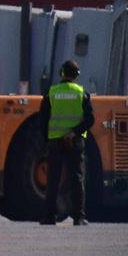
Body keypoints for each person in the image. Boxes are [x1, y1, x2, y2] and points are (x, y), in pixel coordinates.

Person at [40, 58, 94, 226]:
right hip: (75, 142)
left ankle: (50, 217)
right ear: (76, 75)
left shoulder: (51, 93)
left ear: (62, 73)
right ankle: (78, 217)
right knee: (77, 179)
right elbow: (90, 119)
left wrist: (46, 141)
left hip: (55, 142)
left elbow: (42, 120)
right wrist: (74, 133)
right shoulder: (81, 93)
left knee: (53, 179)